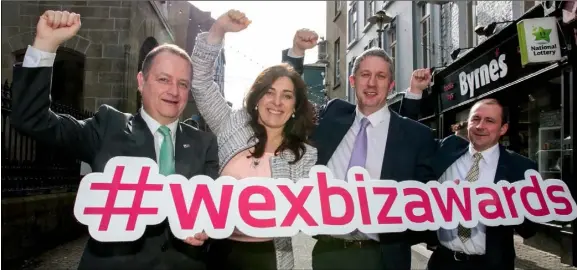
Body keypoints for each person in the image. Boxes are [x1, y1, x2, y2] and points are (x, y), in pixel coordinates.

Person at [10, 10, 218, 270]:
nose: (174, 91)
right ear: (141, 82)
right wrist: (45, 45)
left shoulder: (205, 144)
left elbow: (213, 210)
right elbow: (31, 119)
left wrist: (207, 229)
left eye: (183, 84)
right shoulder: (108, 126)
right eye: (163, 79)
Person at [189, 10, 318, 270]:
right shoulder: (231, 125)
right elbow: (200, 83)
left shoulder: (305, 155)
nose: (277, 103)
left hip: (273, 257)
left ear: (295, 105)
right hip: (219, 252)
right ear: (257, 97)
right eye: (269, 92)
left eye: (287, 96)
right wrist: (218, 31)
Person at [289, 45, 437, 269]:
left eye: (381, 76)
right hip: (329, 253)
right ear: (352, 80)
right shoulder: (333, 116)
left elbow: (423, 198)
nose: (371, 83)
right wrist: (297, 54)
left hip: (384, 257)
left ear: (391, 84)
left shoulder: (416, 136)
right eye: (365, 74)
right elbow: (295, 102)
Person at [400, 83, 538, 270]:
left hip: (491, 265)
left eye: (490, 121)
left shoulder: (520, 167)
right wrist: (415, 92)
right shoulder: (447, 149)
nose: (481, 126)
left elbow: (530, 229)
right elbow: (409, 136)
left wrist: (506, 205)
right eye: (476, 119)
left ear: (503, 128)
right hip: (443, 262)